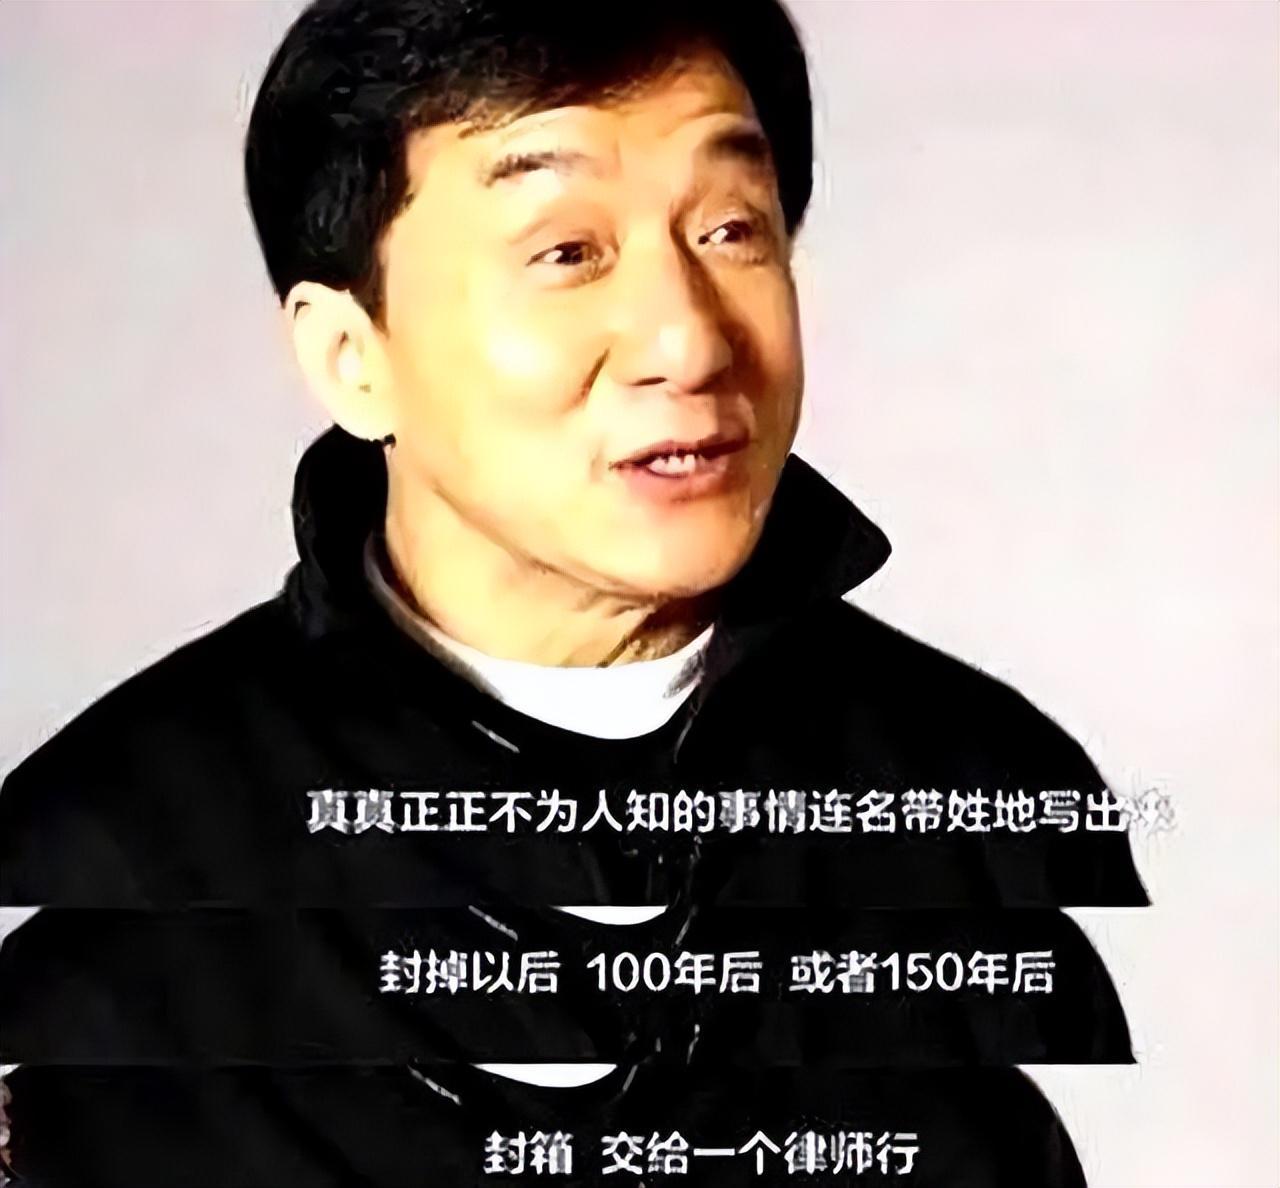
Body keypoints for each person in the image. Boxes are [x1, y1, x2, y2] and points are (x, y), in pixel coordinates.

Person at [0, 1, 1146, 1183]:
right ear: (351, 356)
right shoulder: (132, 852)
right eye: (566, 253)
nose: (686, 341)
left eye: (729, 230)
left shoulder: (971, 793)